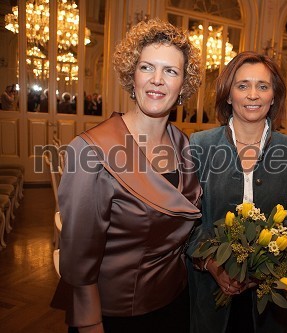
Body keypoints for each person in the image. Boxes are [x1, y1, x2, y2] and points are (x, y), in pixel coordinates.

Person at [50, 18, 203, 333]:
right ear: (132, 75)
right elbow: (78, 256)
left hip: (176, 305)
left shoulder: (185, 145)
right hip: (117, 316)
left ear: (183, 85)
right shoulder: (91, 151)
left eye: (170, 71)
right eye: (147, 67)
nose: (157, 80)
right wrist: (90, 322)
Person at [187, 51, 287, 333]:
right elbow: (187, 217)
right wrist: (211, 263)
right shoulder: (200, 145)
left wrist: (271, 258)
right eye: (243, 86)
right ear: (229, 95)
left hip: (269, 293)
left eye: (263, 86)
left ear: (273, 97)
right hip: (210, 289)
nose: (253, 95)